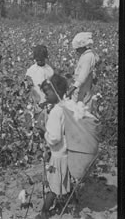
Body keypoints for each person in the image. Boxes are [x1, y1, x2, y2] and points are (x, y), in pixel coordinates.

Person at [37, 74, 72, 218]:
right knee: (65, 181)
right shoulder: (66, 106)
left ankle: (44, 211)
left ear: (56, 91)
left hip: (57, 156)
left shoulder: (55, 112)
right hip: (67, 153)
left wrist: (44, 130)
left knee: (52, 186)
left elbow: (54, 138)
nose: (45, 96)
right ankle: (73, 204)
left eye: (47, 93)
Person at [66, 32, 99, 109]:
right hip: (82, 87)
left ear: (83, 47)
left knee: (80, 110)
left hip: (83, 87)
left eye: (77, 49)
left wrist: (72, 88)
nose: (76, 51)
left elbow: (82, 76)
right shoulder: (86, 55)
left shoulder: (88, 57)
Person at [25, 45, 54, 128]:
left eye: (41, 59)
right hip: (34, 101)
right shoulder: (31, 70)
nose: (39, 61)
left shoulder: (49, 70)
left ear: (45, 58)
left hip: (45, 101)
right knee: (34, 122)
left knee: (45, 123)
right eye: (37, 60)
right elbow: (26, 84)